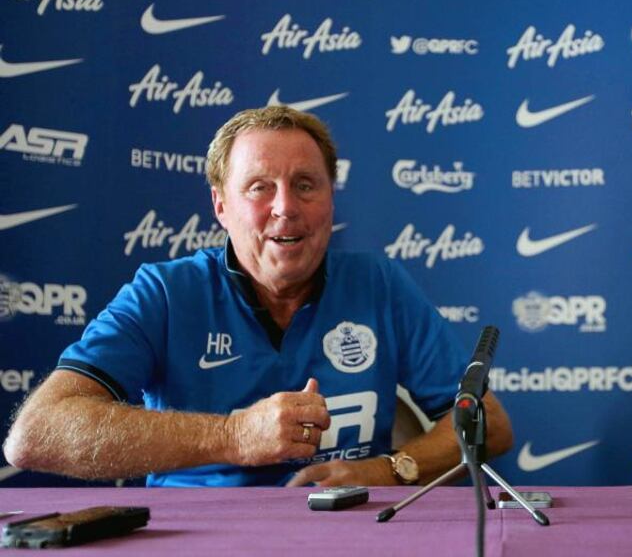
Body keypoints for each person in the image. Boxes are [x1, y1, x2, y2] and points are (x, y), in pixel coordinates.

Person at [3, 106, 513, 487]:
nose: (285, 208)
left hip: (346, 535)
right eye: (259, 188)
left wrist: (392, 468)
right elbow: (36, 434)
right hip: (195, 539)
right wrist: (235, 436)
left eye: (306, 185)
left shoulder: (379, 285)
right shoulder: (163, 292)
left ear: (331, 200)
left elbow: (488, 424)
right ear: (221, 205)